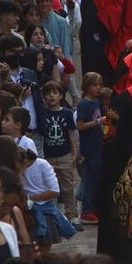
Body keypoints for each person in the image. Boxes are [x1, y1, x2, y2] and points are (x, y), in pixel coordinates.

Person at [39, 81, 80, 224]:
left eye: (55, 93)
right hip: (49, 157)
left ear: (61, 95)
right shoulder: (42, 113)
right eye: (48, 93)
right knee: (51, 188)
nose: (51, 96)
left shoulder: (67, 113)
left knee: (68, 187)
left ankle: (72, 215)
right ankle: (56, 216)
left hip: (65, 155)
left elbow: (71, 134)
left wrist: (75, 153)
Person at [74, 73, 105, 224]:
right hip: (89, 147)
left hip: (97, 144)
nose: (98, 88)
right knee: (90, 178)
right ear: (87, 86)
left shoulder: (96, 102)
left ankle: (90, 205)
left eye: (100, 85)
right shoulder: (84, 104)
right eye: (95, 85)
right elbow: (80, 126)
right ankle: (86, 210)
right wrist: (99, 121)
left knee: (95, 176)